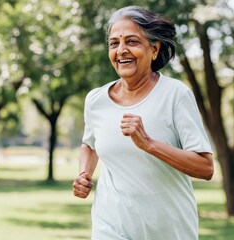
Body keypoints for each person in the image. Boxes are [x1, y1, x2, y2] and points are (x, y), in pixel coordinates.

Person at [72, 6, 214, 240]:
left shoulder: (175, 95)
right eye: (114, 43)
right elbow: (90, 144)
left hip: (168, 230)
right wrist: (83, 174)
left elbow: (205, 168)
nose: (121, 50)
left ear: (154, 49)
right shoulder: (96, 100)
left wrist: (148, 143)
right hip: (110, 226)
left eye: (132, 41)